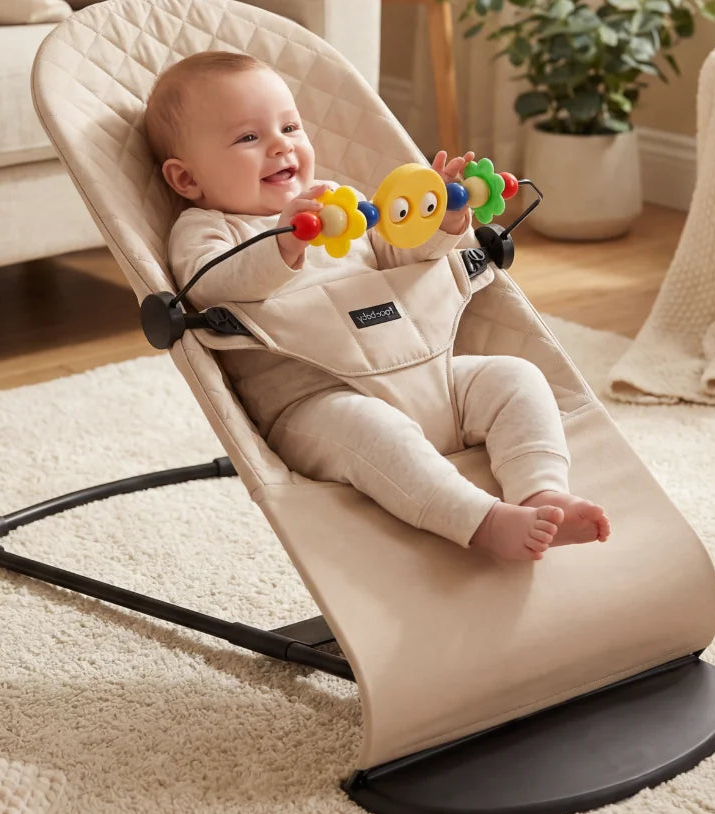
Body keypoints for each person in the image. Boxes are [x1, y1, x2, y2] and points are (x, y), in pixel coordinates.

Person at [145, 50, 610, 562]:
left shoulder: (341, 203)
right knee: (374, 435)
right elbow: (212, 286)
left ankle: (542, 491)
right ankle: (482, 521)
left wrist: (441, 221)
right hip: (317, 400)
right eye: (249, 138)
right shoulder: (207, 229)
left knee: (515, 378)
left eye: (291, 127)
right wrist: (284, 242)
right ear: (186, 180)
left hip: (426, 377)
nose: (282, 146)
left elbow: (398, 257)